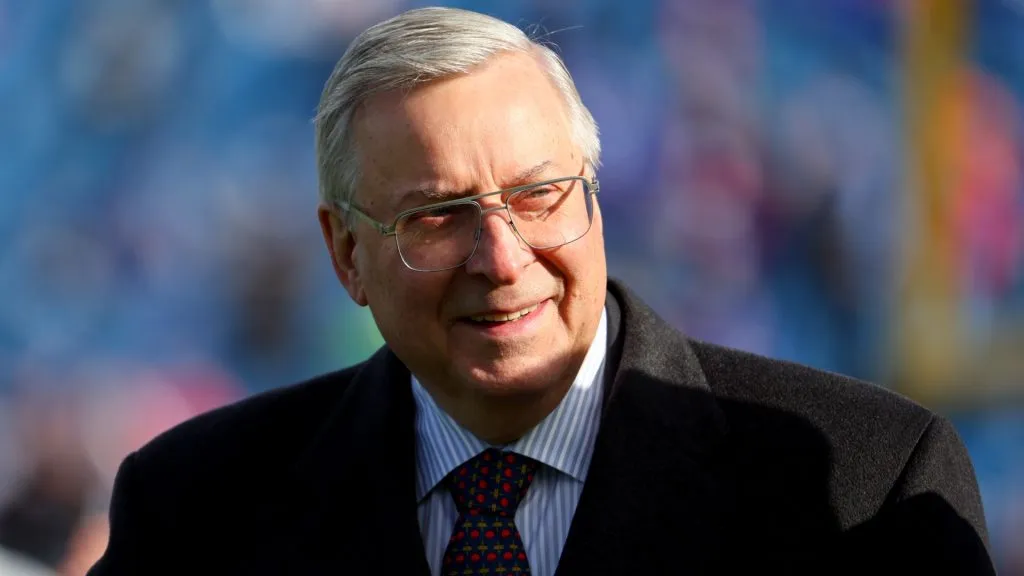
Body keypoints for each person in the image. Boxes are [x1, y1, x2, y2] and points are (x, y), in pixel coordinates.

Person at [86, 7, 994, 575]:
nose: (502, 255)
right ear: (346, 255)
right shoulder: (195, 509)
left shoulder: (863, 486)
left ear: (597, 196)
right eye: (438, 216)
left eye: (538, 195)